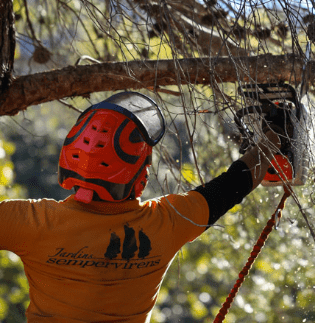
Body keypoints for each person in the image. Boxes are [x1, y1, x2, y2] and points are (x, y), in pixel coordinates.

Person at [0, 91, 282, 322]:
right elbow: (232, 185)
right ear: (139, 175)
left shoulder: (30, 222)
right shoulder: (166, 223)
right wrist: (275, 138)